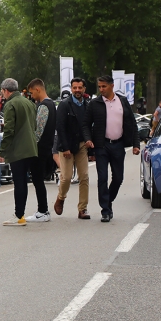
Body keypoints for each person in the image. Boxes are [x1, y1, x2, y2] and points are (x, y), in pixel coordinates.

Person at [82, 75, 139, 222]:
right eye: (99, 87)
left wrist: (136, 144)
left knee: (118, 178)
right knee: (102, 178)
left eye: (104, 86)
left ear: (112, 86)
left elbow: (132, 124)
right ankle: (105, 211)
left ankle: (108, 200)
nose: (101, 89)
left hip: (119, 144)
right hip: (102, 145)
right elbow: (86, 124)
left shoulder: (123, 101)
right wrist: (88, 139)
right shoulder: (95, 104)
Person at [0, 78, 46, 226]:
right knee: (30, 181)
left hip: (18, 149)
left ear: (6, 90)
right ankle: (36, 210)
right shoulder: (29, 102)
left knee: (19, 182)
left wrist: (2, 151)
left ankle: (19, 215)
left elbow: (9, 130)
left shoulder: (10, 104)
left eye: (2, 91)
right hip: (31, 147)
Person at [54, 77, 91, 219]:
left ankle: (82, 209)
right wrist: (64, 147)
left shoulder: (87, 105)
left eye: (80, 88)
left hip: (82, 145)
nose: (77, 90)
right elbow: (60, 127)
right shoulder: (64, 105)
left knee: (84, 177)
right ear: (71, 89)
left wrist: (90, 146)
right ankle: (61, 198)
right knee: (67, 177)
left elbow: (88, 127)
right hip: (67, 146)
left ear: (84, 89)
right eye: (74, 88)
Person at [28, 79, 57, 185]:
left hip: (40, 150)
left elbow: (38, 130)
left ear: (37, 89)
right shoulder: (52, 104)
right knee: (40, 182)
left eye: (32, 92)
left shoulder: (44, 106)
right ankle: (42, 202)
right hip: (48, 147)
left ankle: (42, 202)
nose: (31, 96)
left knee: (38, 182)